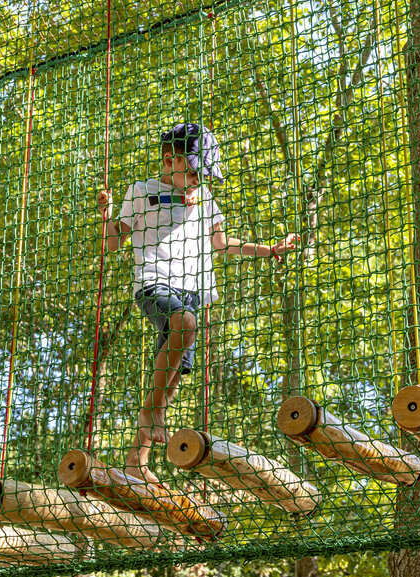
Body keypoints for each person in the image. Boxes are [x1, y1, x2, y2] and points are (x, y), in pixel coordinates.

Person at [96, 122, 299, 483]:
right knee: (184, 324)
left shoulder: (204, 199)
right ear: (169, 160)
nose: (196, 179)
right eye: (193, 171)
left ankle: (135, 461)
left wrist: (270, 250)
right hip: (154, 283)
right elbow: (113, 244)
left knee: (171, 379)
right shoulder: (142, 192)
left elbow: (221, 243)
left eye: (203, 174)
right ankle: (150, 417)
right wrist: (106, 215)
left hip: (192, 292)